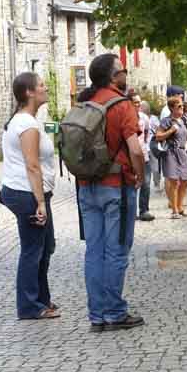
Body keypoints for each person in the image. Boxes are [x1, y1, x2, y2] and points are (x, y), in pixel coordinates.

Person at [76, 53, 147, 332]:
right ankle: (115, 313)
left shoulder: (85, 102)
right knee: (116, 250)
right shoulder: (121, 104)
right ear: (113, 76)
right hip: (116, 186)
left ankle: (97, 315)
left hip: (86, 186)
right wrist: (139, 175)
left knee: (94, 251)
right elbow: (136, 149)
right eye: (122, 70)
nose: (125, 73)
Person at [0, 72, 59, 320]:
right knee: (33, 249)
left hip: (32, 192)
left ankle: (41, 298)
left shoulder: (30, 121)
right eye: (41, 85)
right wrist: (40, 202)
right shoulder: (25, 124)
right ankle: (29, 305)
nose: (46, 88)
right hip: (27, 194)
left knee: (45, 247)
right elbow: (32, 164)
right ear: (29, 93)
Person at [155, 96, 187, 219]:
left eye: (182, 106)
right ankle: (175, 210)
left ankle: (180, 207)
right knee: (174, 181)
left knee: (185, 181)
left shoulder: (184, 120)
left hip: (182, 153)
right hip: (170, 152)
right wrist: (171, 130)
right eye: (179, 106)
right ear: (171, 108)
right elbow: (158, 136)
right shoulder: (167, 121)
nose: (182, 108)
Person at [132, 96, 156, 222]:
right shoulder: (126, 117)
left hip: (144, 155)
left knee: (146, 183)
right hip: (131, 157)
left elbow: (146, 133)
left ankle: (144, 210)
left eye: (138, 103)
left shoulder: (144, 117)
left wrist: (143, 145)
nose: (137, 105)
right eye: (134, 102)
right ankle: (131, 211)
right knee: (132, 184)